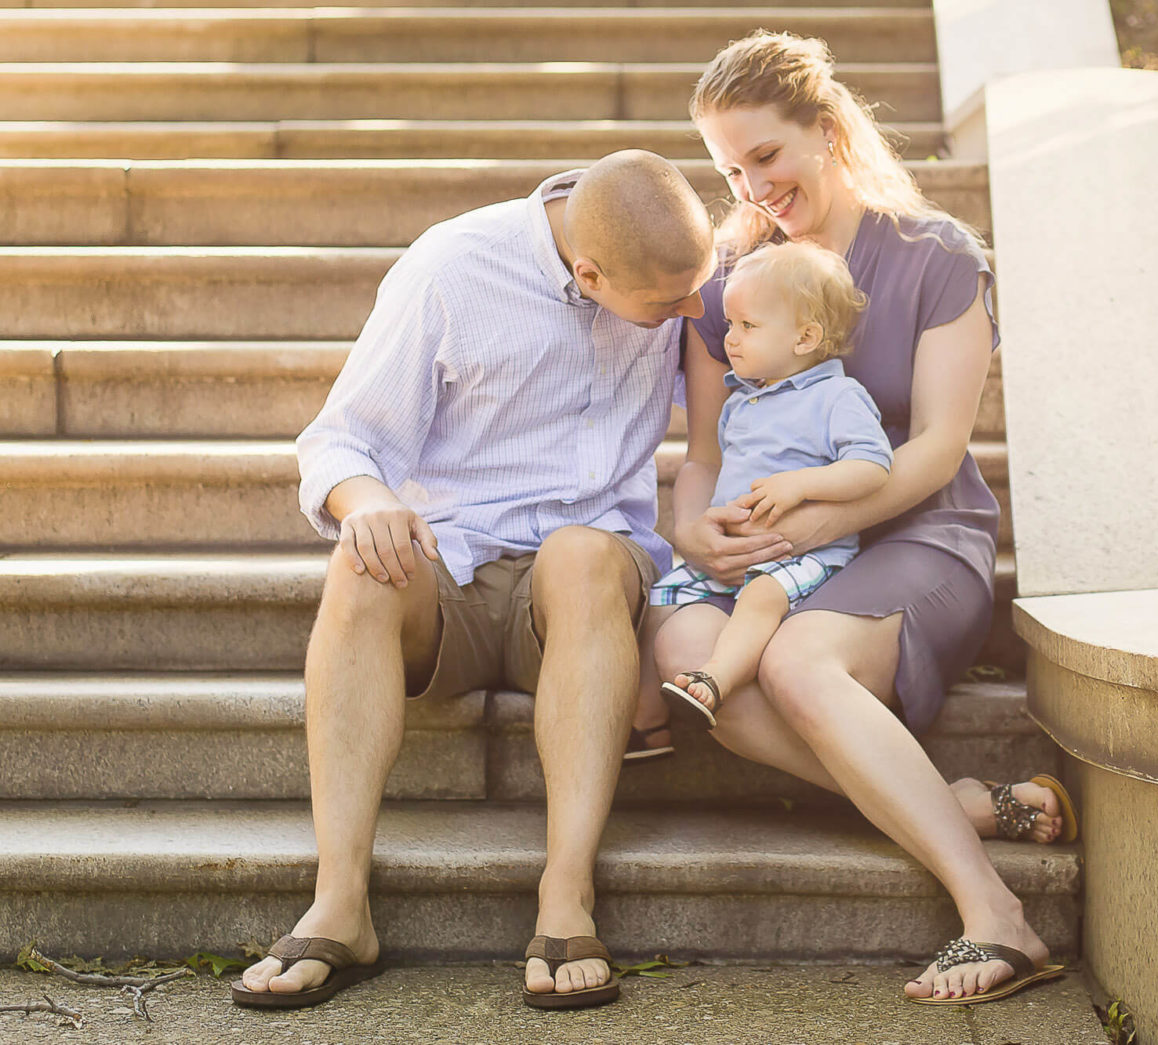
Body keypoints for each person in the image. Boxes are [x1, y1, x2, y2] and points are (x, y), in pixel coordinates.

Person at [641, 31, 1079, 1006]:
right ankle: (960, 803)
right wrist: (691, 527)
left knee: (794, 660)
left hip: (917, 535)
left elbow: (930, 450)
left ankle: (995, 916)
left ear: (827, 131)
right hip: (764, 553)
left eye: (765, 156)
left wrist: (803, 522)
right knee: (701, 667)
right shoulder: (730, 285)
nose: (750, 186)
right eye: (727, 168)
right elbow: (705, 454)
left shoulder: (936, 257)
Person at [231, 150, 715, 1012]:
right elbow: (340, 441)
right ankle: (341, 902)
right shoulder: (452, 268)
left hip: (586, 588)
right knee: (360, 562)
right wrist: (369, 498)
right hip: (450, 568)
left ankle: (566, 895)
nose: (693, 312)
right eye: (669, 305)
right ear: (590, 272)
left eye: (696, 290)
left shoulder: (677, 274)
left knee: (584, 550)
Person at [654, 241, 893, 728]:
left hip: (805, 555)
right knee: (660, 597)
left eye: (748, 326)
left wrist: (802, 484)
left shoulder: (836, 396)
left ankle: (716, 677)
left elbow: (873, 465)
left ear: (805, 337)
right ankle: (646, 718)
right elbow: (716, 469)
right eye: (730, 325)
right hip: (737, 551)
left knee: (763, 596)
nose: (730, 340)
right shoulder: (743, 401)